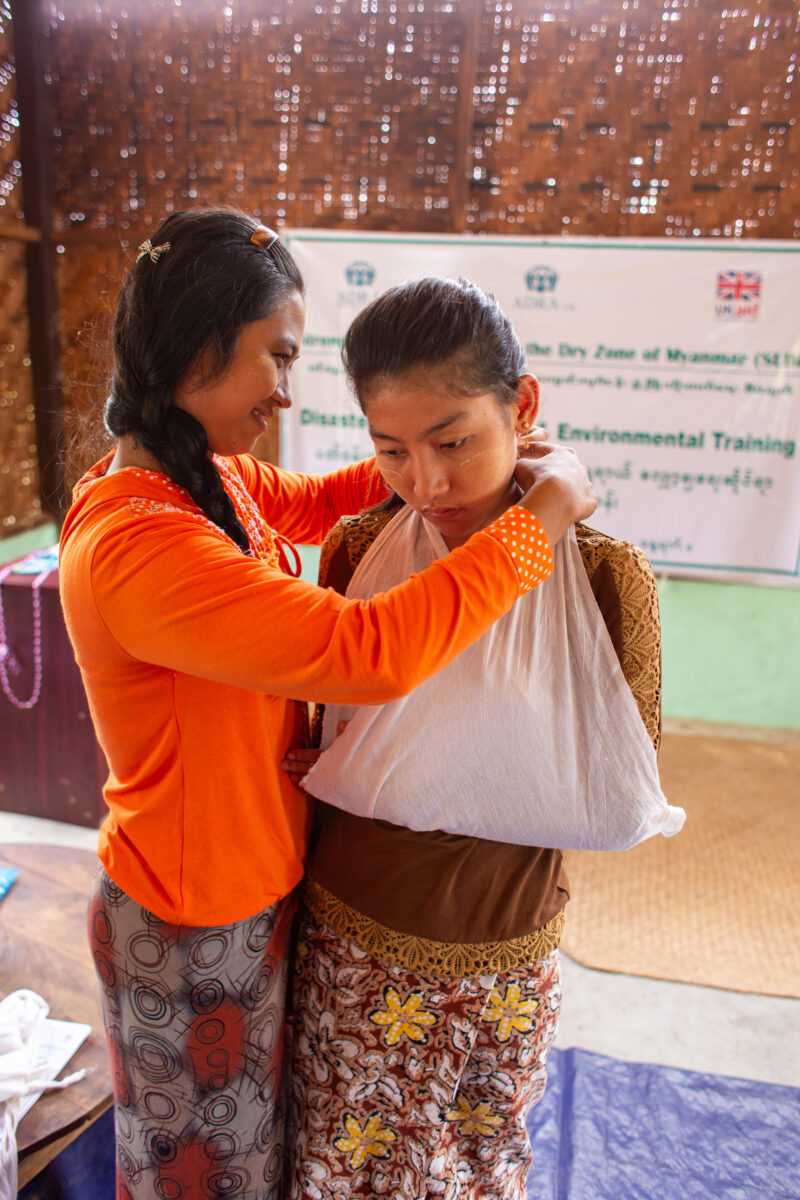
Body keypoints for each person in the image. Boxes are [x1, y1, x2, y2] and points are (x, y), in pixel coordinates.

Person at [57, 210, 595, 1200]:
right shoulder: (143, 546)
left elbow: (323, 498)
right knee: (206, 1180)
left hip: (248, 889)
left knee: (253, 1156)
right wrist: (533, 522)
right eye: (277, 355)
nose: (285, 389)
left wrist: (445, 462)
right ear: (198, 344)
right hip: (190, 918)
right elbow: (363, 653)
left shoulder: (202, 478)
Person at [283, 277, 664, 1200]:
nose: (428, 483)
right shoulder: (358, 551)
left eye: (453, 441)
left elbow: (620, 787)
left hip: (508, 950)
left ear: (522, 404)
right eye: (391, 452)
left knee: (480, 1172)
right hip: (351, 940)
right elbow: (320, 746)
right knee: (340, 1171)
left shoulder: (609, 578)